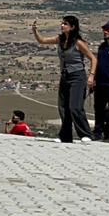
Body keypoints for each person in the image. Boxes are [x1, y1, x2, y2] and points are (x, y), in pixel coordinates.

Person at [32, 15, 93, 143]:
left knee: (75, 106)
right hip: (65, 76)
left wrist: (92, 75)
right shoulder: (60, 40)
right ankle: (65, 136)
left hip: (77, 76)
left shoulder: (78, 43)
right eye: (62, 23)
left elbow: (93, 59)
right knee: (63, 107)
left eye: (65, 24)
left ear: (72, 27)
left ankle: (85, 134)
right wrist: (35, 31)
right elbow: (42, 41)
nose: (62, 26)